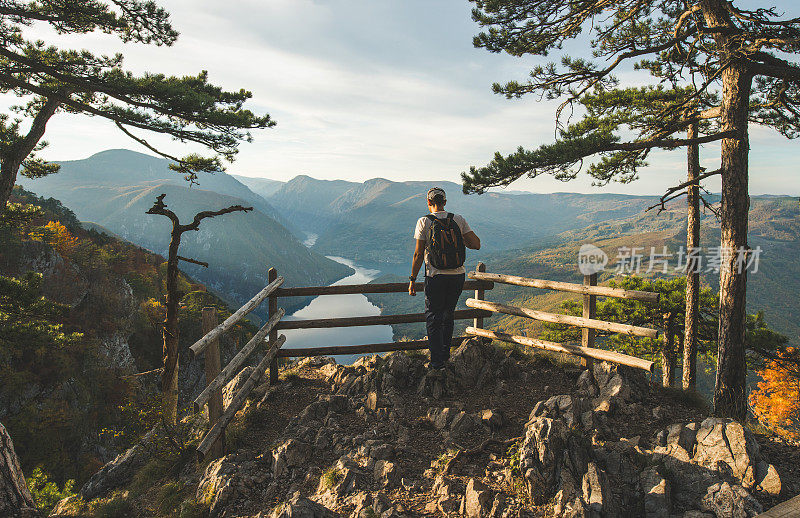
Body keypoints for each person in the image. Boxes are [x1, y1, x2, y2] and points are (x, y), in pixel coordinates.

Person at [409, 187, 480, 369]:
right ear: (445, 202)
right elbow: (476, 244)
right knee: (448, 315)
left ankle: (436, 362)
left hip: (435, 276)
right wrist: (456, 239)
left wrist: (412, 279)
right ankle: (446, 355)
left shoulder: (424, 221)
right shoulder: (458, 219)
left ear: (429, 202)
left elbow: (418, 254)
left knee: (433, 317)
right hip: (457, 275)